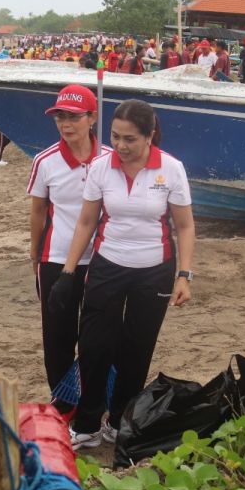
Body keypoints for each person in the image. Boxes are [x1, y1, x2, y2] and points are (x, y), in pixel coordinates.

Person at [53, 99, 195, 449]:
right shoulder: (102, 168)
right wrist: (68, 272)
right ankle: (87, 423)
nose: (120, 146)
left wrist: (184, 275)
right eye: (115, 137)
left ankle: (119, 420)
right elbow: (87, 221)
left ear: (150, 136)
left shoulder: (172, 169)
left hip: (154, 270)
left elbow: (185, 226)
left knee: (136, 348)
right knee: (93, 345)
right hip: (108, 265)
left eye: (130, 139)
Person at [28, 85, 109, 405]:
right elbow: (37, 211)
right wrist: (34, 254)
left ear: (92, 117)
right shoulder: (45, 161)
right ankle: (64, 401)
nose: (66, 124)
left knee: (98, 336)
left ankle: (95, 400)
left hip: (104, 260)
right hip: (55, 258)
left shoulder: (110, 159)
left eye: (74, 117)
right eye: (60, 116)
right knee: (58, 337)